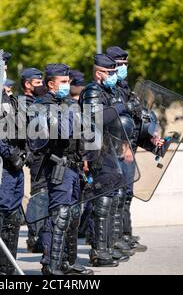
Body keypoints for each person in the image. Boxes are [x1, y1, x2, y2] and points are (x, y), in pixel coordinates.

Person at [34, 63, 93, 275]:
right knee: (60, 214)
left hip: (75, 166)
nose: (68, 86)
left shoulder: (70, 104)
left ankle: (69, 261)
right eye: (64, 82)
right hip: (57, 164)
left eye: (68, 82)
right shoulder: (42, 105)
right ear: (51, 84)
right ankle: (52, 265)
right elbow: (58, 133)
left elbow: (83, 134)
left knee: (73, 214)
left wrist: (85, 158)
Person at [79, 54, 132, 267]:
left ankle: (108, 247)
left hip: (112, 149)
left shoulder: (108, 92)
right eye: (110, 72)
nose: (113, 76)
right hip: (99, 151)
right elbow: (96, 118)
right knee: (102, 201)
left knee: (111, 200)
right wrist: (119, 108)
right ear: (99, 73)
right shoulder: (93, 91)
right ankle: (99, 252)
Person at [0, 52, 27, 275]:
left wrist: (25, 150)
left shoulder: (5, 96)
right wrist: (10, 152)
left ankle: (7, 271)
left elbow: (19, 127)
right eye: (0, 67)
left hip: (14, 169)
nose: (4, 71)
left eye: (4, 67)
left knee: (13, 219)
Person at [106, 46, 147, 253]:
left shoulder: (123, 86)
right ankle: (117, 238)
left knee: (127, 194)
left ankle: (125, 234)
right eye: (119, 64)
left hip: (129, 145)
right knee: (119, 195)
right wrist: (124, 145)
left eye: (125, 64)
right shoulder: (111, 88)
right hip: (118, 149)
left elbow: (133, 117)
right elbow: (116, 122)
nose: (124, 68)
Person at [20, 67, 47, 253]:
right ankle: (34, 236)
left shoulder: (38, 102)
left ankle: (40, 234)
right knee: (38, 195)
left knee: (44, 194)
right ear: (27, 85)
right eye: (37, 83)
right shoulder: (23, 103)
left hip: (44, 153)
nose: (41, 86)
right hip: (36, 154)